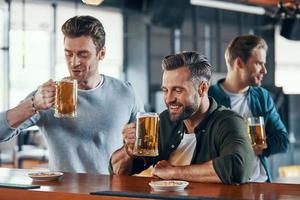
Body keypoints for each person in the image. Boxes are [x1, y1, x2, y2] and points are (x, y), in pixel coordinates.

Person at [0, 15, 143, 174]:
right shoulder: (47, 96)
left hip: (111, 194)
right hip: (62, 194)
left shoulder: (125, 92)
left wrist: (134, 147)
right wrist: (32, 105)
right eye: (68, 54)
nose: (74, 62)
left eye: (83, 54)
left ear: (101, 54)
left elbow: (145, 152)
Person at [110, 51, 255, 184]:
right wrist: (128, 151)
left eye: (178, 90)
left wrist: (173, 171)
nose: (168, 99)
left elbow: (238, 168)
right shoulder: (165, 121)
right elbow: (118, 171)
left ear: (202, 88)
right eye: (165, 90)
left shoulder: (228, 121)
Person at [209, 35, 289, 182]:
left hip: (260, 182)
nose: (264, 70)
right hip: (224, 183)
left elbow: (283, 140)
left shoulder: (262, 97)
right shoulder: (209, 97)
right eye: (259, 63)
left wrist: (263, 146)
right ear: (239, 63)